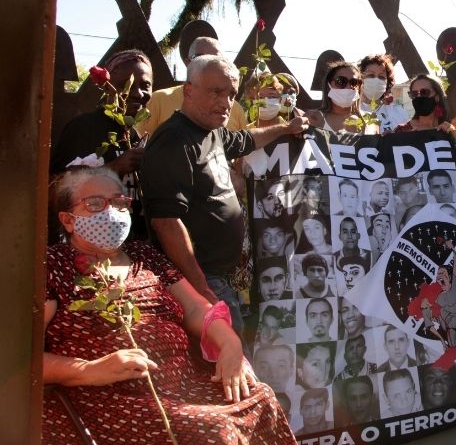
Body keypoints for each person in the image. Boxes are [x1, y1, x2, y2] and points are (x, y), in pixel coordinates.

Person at [43, 166, 293, 443]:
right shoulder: (54, 265)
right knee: (215, 430)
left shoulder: (144, 255)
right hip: (112, 395)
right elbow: (20, 359)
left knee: (261, 399)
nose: (110, 211)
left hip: (182, 383)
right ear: (68, 220)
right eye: (94, 204)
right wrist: (89, 371)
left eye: (118, 202)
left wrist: (231, 347)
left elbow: (197, 308)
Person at [141, 55, 309, 332]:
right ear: (189, 90)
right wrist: (201, 287)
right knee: (231, 360)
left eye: (231, 94)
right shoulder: (174, 140)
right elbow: (166, 222)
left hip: (220, 276)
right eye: (216, 91)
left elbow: (248, 139)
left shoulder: (212, 131)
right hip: (201, 279)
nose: (226, 102)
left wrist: (287, 128)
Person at [51, 50, 153, 239]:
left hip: (132, 248)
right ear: (107, 87)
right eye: (126, 84)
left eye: (145, 85)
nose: (138, 93)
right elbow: (54, 190)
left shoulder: (136, 135)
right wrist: (113, 168)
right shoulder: (84, 128)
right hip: (90, 248)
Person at [137, 37, 247, 136]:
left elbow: (243, 154)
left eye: (216, 60)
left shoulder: (235, 109)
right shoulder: (159, 100)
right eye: (201, 58)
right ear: (188, 62)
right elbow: (141, 148)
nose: (209, 65)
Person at [357, 53, 411, 132]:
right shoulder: (350, 112)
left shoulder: (399, 113)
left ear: (387, 82)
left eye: (381, 77)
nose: (376, 80)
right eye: (371, 75)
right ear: (360, 79)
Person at [310, 61, 364, 133]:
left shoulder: (369, 122)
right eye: (341, 81)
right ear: (329, 84)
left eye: (354, 83)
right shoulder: (313, 118)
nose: (348, 87)